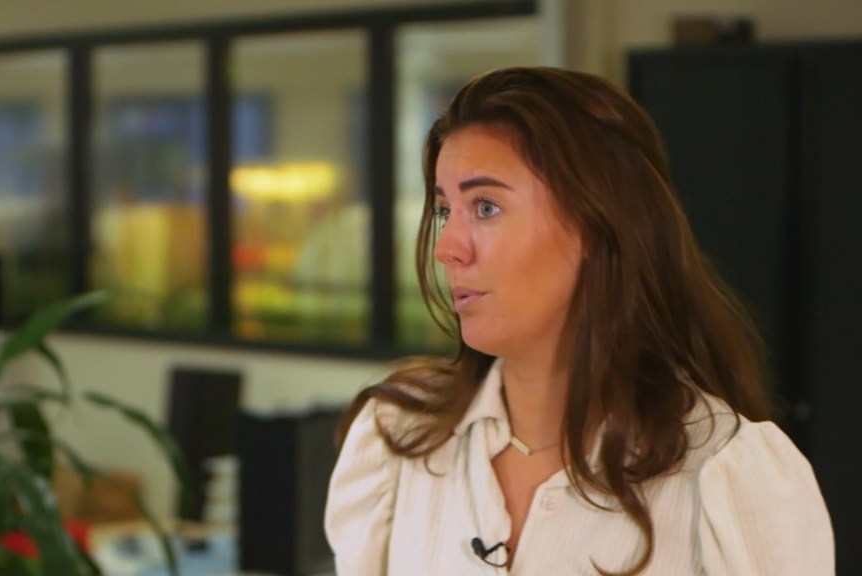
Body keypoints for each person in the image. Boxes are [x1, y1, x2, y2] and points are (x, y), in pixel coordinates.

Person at [324, 67, 834, 575]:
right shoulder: (399, 439)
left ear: (597, 222)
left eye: (485, 207)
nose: (447, 248)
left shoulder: (723, 475)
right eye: (443, 211)